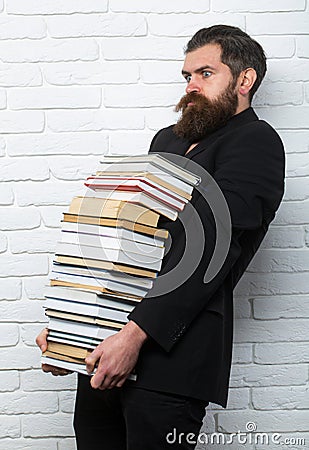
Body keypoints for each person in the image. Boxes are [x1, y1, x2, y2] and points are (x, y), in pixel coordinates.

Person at [36, 25, 285, 449]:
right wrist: (70, 327)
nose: (191, 86)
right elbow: (129, 241)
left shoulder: (257, 143)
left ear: (245, 80)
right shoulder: (167, 141)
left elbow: (210, 250)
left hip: (173, 359)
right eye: (187, 76)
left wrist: (134, 336)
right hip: (106, 345)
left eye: (205, 74)